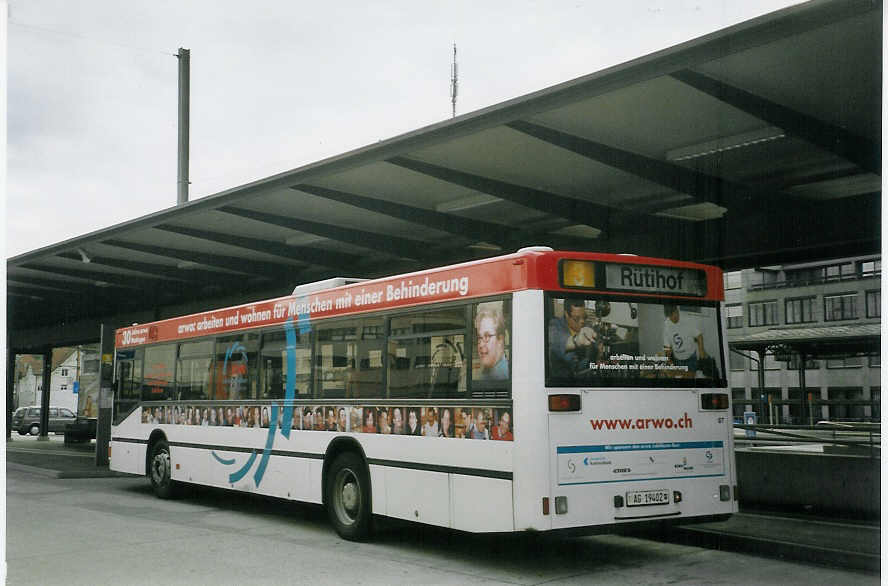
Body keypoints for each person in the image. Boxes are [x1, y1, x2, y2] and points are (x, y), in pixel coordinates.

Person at [548, 298, 597, 378]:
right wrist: (576, 341)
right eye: (577, 318)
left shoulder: (587, 327)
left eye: (584, 317)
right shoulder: (554, 326)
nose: (582, 321)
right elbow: (557, 341)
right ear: (566, 314)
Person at [662, 304, 705, 374]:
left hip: (691, 358)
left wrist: (701, 353)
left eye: (674, 315)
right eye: (670, 317)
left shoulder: (687, 319)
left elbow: (699, 336)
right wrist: (668, 359)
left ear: (677, 310)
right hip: (678, 360)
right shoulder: (667, 324)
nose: (673, 319)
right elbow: (666, 345)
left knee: (692, 379)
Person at [475, 305, 509, 380]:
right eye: (479, 337)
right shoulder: (489, 371)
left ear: (500, 340)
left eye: (487, 336)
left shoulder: (500, 375)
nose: (481, 344)